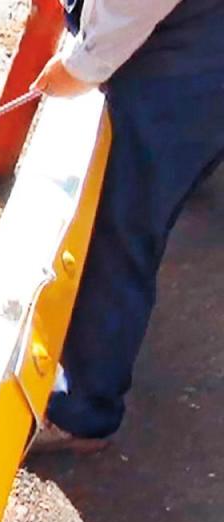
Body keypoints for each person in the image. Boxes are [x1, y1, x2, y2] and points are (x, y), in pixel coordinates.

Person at [30, 0, 224, 451]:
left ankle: (82, 407)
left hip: (185, 58)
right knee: (184, 150)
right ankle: (183, 171)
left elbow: (120, 20)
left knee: (119, 222)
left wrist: (79, 65)